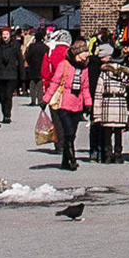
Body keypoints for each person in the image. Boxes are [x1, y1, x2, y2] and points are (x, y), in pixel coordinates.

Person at [42, 36, 92, 171]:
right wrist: (46, 99)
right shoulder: (64, 65)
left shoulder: (84, 68)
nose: (86, 56)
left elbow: (85, 88)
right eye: (84, 53)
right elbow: (55, 82)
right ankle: (72, 159)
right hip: (64, 103)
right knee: (68, 131)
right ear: (77, 53)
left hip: (77, 104)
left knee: (72, 134)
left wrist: (88, 103)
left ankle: (65, 161)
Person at [0, 29, 24, 127]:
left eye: (6, 34)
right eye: (3, 34)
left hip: (11, 74)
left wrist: (22, 75)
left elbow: (20, 60)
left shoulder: (15, 45)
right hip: (0, 74)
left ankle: (7, 115)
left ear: (9, 35)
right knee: (1, 97)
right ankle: (4, 111)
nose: (5, 36)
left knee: (8, 95)